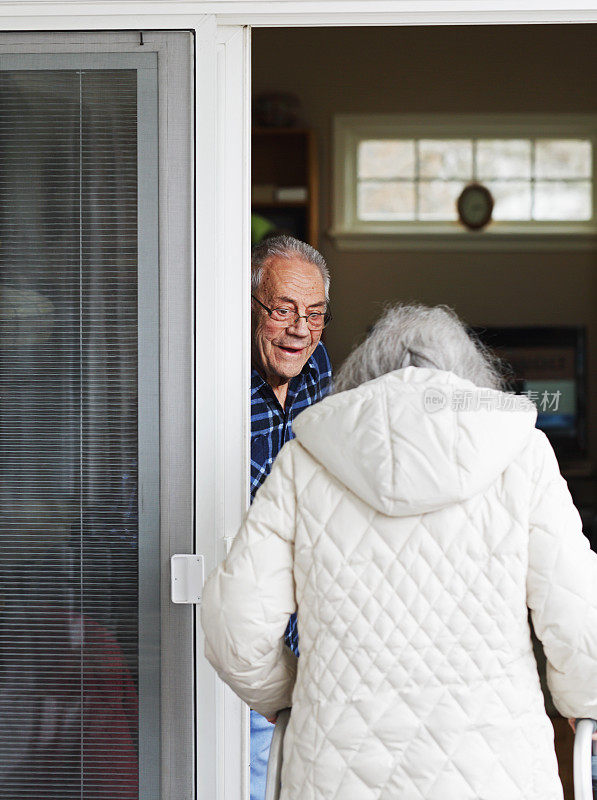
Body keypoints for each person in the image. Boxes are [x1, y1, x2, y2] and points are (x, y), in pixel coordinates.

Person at [202, 303, 597, 800]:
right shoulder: (523, 454)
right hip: (496, 774)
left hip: (335, 775)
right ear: (471, 378)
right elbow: (584, 624)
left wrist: (293, 693)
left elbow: (234, 624)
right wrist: (584, 701)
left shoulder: (306, 460)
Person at [248, 235, 332, 800]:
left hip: (306, 639)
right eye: (282, 311)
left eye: (315, 313)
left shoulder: (317, 368)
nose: (300, 330)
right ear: (250, 305)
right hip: (238, 632)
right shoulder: (208, 382)